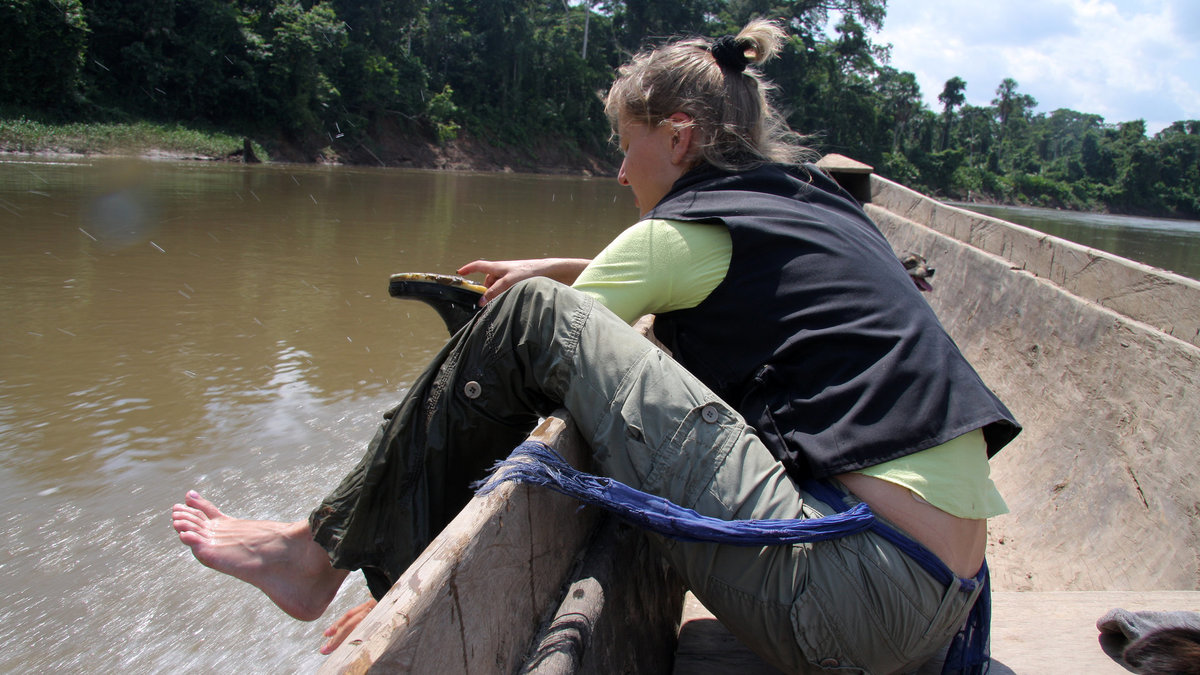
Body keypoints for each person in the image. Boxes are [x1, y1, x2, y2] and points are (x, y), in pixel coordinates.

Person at [173, 20, 1019, 673]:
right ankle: (338, 548)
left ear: (679, 137)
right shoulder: (816, 206)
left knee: (531, 312)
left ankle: (313, 552)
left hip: (851, 598)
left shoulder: (682, 229)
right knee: (547, 301)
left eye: (627, 145)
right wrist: (574, 261)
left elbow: (530, 339)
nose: (621, 174)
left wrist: (550, 281)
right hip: (941, 602)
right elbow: (715, 284)